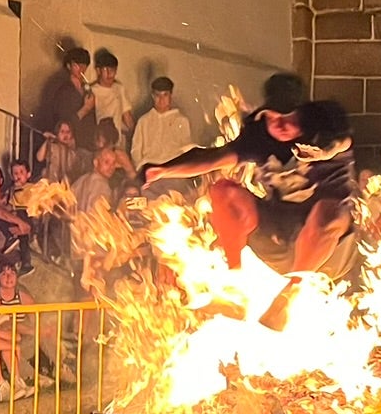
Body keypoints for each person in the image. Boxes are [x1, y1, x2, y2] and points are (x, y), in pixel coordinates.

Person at [139, 71, 357, 331]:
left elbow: (344, 142)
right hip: (281, 238)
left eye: (289, 119)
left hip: (330, 251)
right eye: (273, 118)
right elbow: (212, 157)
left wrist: (325, 151)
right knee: (223, 191)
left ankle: (289, 296)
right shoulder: (260, 138)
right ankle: (234, 289)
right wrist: (163, 169)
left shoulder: (325, 131)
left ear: (304, 116)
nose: (280, 126)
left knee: (328, 212)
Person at [129, 77, 193, 181]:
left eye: (165, 95)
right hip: (151, 173)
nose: (161, 99)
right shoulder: (144, 121)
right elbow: (136, 151)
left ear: (171, 95)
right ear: (153, 96)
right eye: (157, 95)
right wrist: (141, 170)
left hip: (173, 173)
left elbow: (186, 148)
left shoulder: (181, 120)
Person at [35, 45, 93, 145]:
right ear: (69, 66)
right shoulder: (63, 90)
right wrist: (85, 109)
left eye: (84, 65)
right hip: (65, 143)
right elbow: (63, 121)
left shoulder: (87, 89)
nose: (81, 69)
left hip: (84, 142)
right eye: (76, 65)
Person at [88, 48, 129, 149]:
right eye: (106, 69)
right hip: (100, 144)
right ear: (98, 70)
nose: (110, 73)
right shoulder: (92, 91)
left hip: (117, 143)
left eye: (113, 70)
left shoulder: (119, 88)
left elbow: (127, 116)